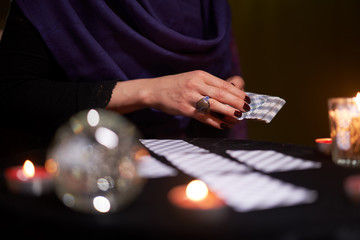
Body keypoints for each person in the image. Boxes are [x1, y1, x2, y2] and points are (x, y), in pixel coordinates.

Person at [0, 0, 250, 151]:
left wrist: (223, 92)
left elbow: (222, 65)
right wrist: (151, 92)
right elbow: (14, 95)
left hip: (197, 163)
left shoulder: (210, 4)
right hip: (88, 168)